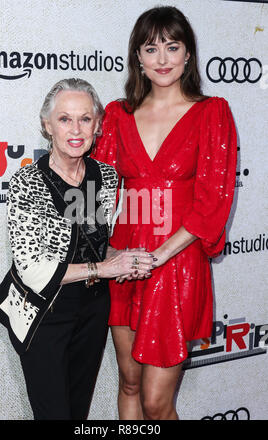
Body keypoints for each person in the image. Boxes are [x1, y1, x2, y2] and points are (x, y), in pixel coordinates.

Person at [92, 6, 237, 420]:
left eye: (172, 47)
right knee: (129, 383)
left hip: (176, 265)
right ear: (137, 56)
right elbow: (99, 194)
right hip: (123, 263)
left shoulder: (213, 113)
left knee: (157, 402)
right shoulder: (117, 115)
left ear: (188, 54)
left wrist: (157, 257)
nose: (162, 59)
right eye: (151, 48)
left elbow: (211, 205)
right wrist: (104, 259)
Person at [0, 78, 154, 420]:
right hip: (46, 313)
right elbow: (32, 269)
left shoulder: (104, 176)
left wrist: (121, 260)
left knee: (77, 413)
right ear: (47, 126)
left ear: (97, 125)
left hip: (92, 311)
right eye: (64, 119)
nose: (75, 129)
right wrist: (103, 269)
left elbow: (92, 244)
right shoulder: (27, 182)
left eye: (85, 119)